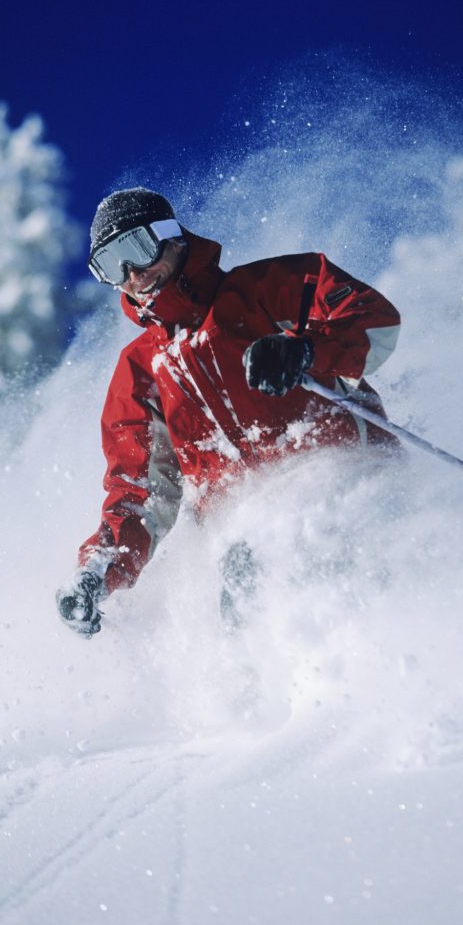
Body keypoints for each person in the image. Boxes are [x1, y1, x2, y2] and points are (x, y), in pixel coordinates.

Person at [56, 187, 401, 636]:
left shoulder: (263, 289)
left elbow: (373, 317)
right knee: (243, 588)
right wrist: (97, 572)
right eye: (110, 266)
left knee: (353, 576)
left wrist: (306, 351)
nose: (131, 274)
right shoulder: (140, 372)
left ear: (171, 239)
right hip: (249, 534)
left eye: (136, 249)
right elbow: (138, 493)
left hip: (347, 479)